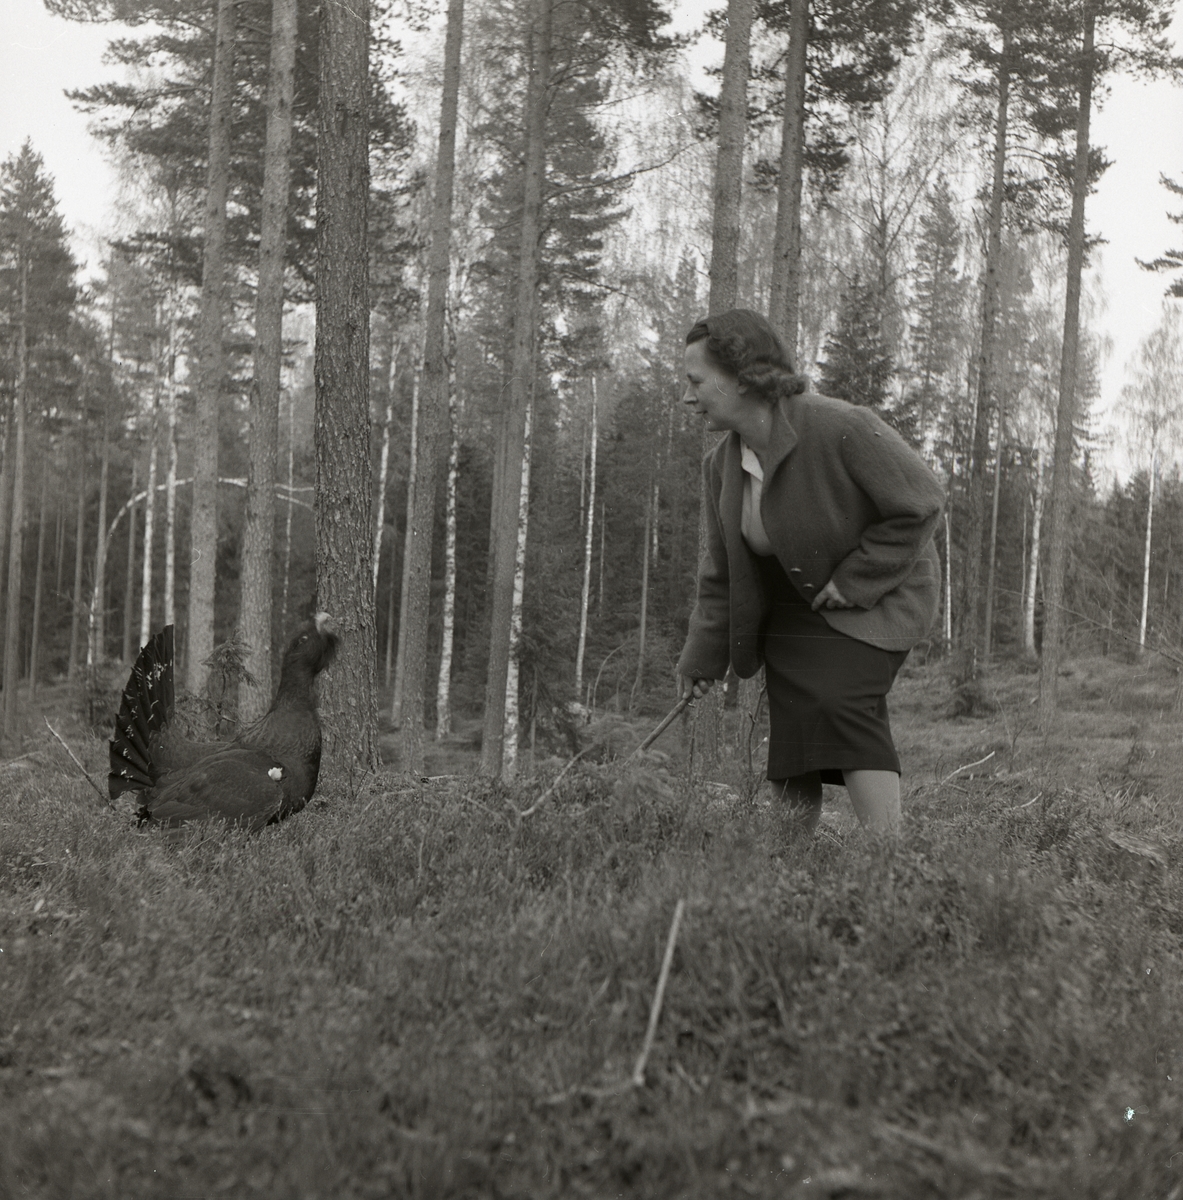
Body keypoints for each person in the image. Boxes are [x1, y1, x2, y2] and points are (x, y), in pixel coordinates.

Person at [675, 308, 945, 835]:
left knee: (839, 699)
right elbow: (723, 573)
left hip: (879, 597)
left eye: (696, 381)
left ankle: (888, 861)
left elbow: (922, 502)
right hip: (793, 611)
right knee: (795, 723)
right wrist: (700, 657)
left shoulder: (840, 425)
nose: (688, 397)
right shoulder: (720, 467)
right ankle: (791, 862)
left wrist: (856, 579)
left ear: (742, 378)